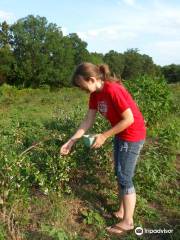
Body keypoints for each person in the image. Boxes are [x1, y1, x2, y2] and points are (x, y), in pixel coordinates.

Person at [60, 62, 146, 236]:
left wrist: (104, 136)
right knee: (119, 172)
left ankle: (128, 222)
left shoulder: (113, 90)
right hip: (121, 134)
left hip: (132, 134)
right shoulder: (95, 94)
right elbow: (88, 121)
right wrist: (71, 141)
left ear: (91, 79)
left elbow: (129, 119)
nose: (82, 90)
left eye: (82, 86)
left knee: (124, 176)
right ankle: (122, 212)